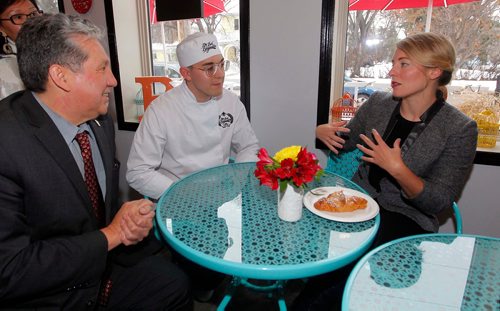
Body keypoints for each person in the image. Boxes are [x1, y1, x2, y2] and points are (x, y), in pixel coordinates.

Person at [0, 13, 190, 309]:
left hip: (100, 269)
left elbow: (94, 212)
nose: (113, 80)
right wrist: (111, 235)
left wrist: (125, 221)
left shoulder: (100, 124)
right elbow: (9, 271)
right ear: (60, 76)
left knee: (175, 282)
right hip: (47, 295)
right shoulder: (6, 143)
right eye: (102, 68)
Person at [296, 32, 477, 310]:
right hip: (357, 201)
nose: (392, 71)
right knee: (322, 266)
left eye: (403, 64)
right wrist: (323, 131)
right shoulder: (379, 103)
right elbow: (347, 141)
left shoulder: (459, 129)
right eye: (393, 63)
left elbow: (438, 201)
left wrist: (398, 169)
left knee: (342, 282)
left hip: (406, 218)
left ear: (434, 71)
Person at [126, 32, 260, 200]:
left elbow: (248, 146)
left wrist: (239, 179)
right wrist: (182, 194)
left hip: (221, 196)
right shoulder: (161, 111)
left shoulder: (231, 103)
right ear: (186, 73)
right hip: (177, 200)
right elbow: (137, 171)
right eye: (209, 68)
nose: (220, 74)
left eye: (221, 64)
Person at [0, 0, 41, 100]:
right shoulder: (4, 70)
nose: (30, 22)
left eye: (33, 14)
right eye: (18, 17)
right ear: (1, 28)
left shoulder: (60, 51)